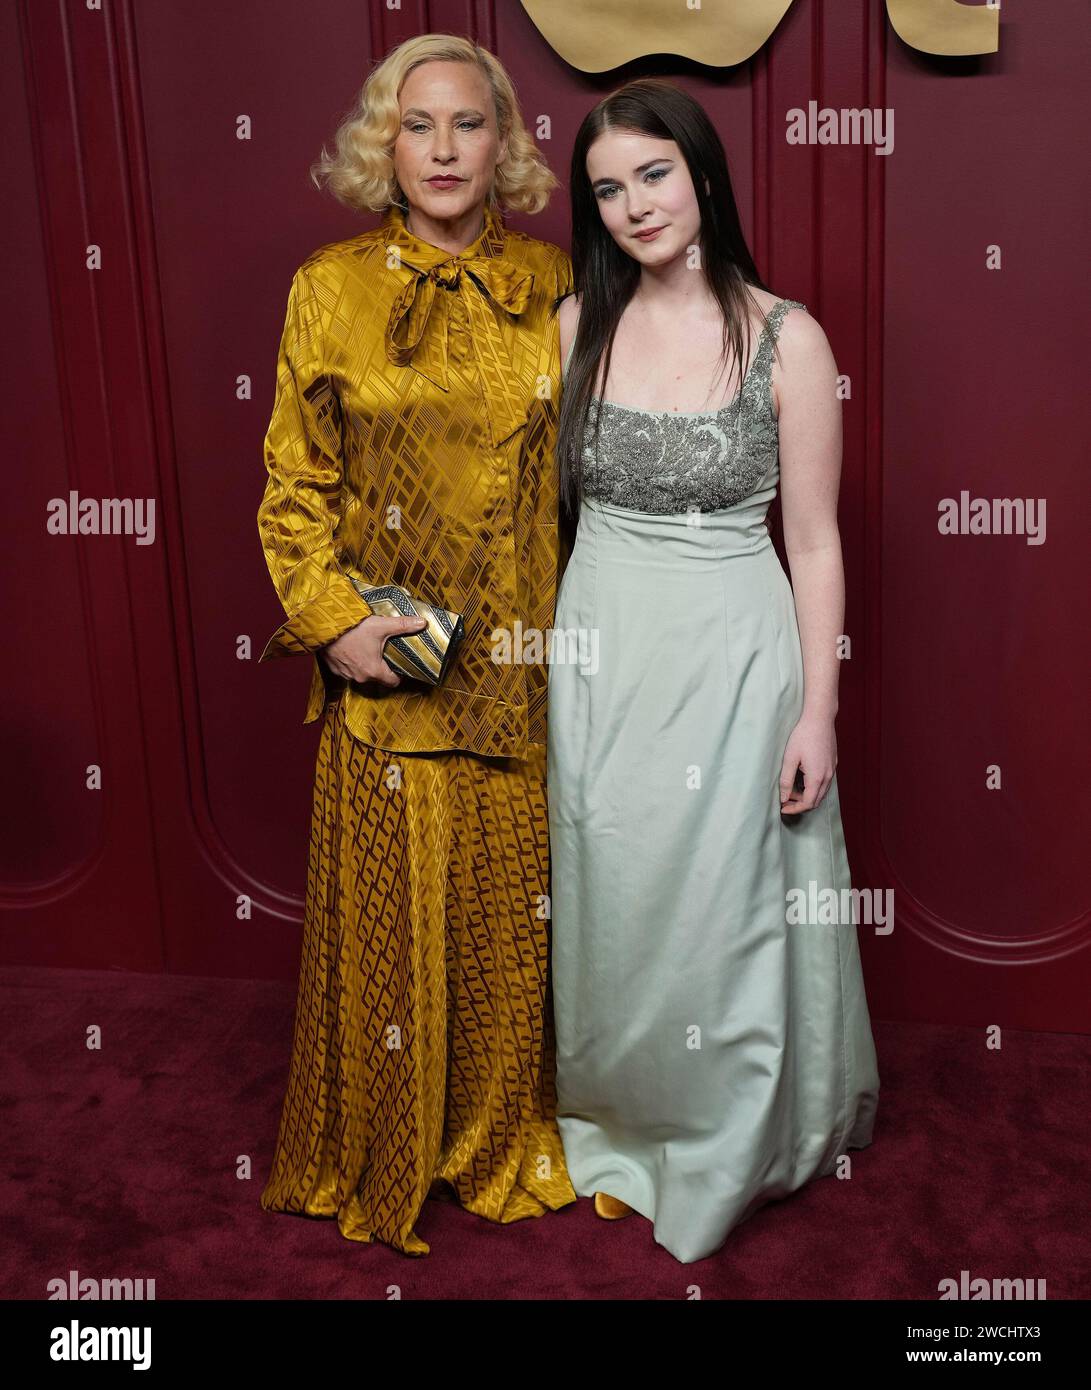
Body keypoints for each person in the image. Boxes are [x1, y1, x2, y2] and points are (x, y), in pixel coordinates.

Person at [548, 79, 880, 1264]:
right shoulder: (574, 326)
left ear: (700, 174)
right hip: (599, 646)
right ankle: (619, 1110)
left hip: (735, 650)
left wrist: (819, 710)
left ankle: (727, 1125)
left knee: (723, 900)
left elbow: (815, 540)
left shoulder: (787, 338)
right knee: (614, 885)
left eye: (651, 173)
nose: (633, 204)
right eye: (606, 188)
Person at [256, 34, 576, 1256]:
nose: (443, 151)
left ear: (503, 145)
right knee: (394, 929)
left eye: (467, 125)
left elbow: (606, 460)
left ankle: (499, 1134)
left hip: (524, 673)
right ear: (381, 145)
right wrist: (334, 626)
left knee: (510, 923)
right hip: (389, 669)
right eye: (416, 125)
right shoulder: (325, 285)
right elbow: (293, 484)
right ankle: (384, 1141)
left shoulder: (555, 281)